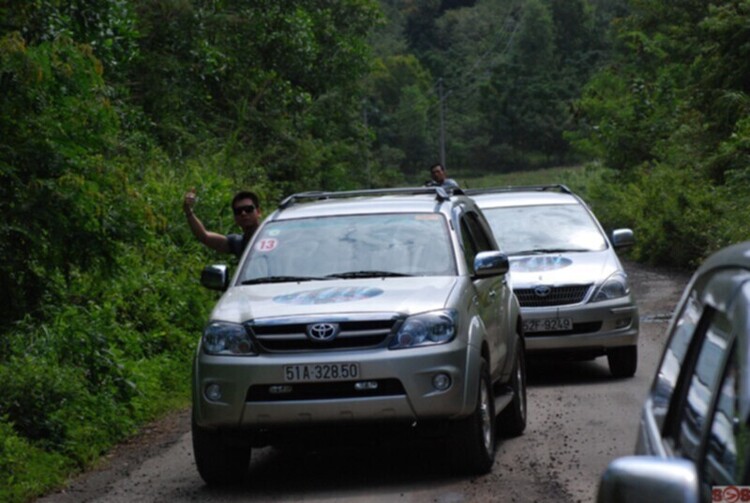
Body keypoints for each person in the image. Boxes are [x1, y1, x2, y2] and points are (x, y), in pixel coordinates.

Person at [183, 188, 261, 258]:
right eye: (238, 211)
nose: (243, 213)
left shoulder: (272, 237)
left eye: (248, 209)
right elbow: (204, 236)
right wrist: (188, 211)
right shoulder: (238, 243)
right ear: (235, 217)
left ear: (258, 212)